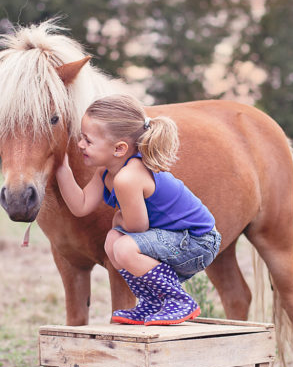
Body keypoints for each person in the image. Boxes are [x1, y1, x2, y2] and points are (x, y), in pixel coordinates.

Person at [55, 94, 221, 325]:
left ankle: (179, 300)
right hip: (174, 239)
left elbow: (137, 227)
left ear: (119, 148)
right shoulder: (106, 172)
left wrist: (118, 217)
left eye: (88, 140)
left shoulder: (128, 177)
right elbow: (81, 206)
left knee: (123, 246)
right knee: (112, 241)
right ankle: (152, 303)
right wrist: (61, 167)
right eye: (81, 138)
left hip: (197, 241)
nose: (80, 144)